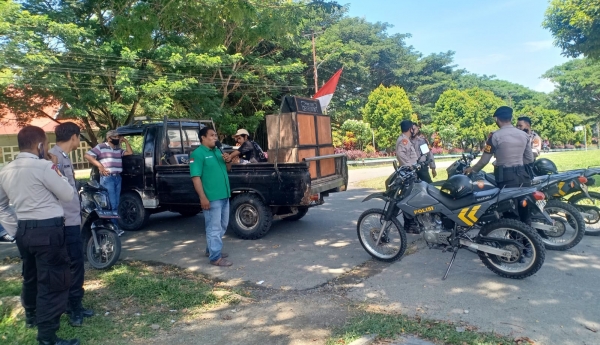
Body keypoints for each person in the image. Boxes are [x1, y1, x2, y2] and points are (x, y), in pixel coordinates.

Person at [0, 126, 80, 345]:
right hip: (49, 231)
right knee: (52, 281)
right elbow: (66, 194)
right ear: (40, 145)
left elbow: (1, 207)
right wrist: (54, 166)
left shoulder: (6, 169)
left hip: (24, 230)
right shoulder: (44, 167)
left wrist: (16, 230)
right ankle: (47, 336)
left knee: (31, 275)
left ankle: (31, 316)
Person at [49, 122, 94, 327]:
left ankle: (75, 303)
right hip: (63, 222)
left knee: (76, 264)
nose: (79, 141)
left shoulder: (63, 157)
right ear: (74, 137)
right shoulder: (52, 158)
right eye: (79, 137)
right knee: (72, 265)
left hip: (72, 219)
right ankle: (72, 307)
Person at [190, 127, 233, 267]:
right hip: (212, 197)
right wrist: (203, 197)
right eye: (212, 135)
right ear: (203, 137)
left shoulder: (217, 151)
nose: (215, 138)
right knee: (214, 227)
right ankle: (215, 258)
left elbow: (228, 170)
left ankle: (211, 250)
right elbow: (195, 177)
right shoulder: (198, 154)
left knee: (222, 225)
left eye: (216, 135)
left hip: (224, 195)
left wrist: (228, 160)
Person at [465, 106, 533, 189]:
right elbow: (530, 159)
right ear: (511, 118)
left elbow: (484, 161)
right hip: (523, 176)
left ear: (496, 119)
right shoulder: (525, 135)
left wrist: (472, 170)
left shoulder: (494, 136)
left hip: (506, 178)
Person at [84, 130, 133, 235]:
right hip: (108, 178)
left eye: (119, 137)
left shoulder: (118, 149)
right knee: (111, 204)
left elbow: (130, 153)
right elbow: (87, 155)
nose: (118, 138)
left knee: (116, 203)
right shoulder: (101, 147)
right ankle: (113, 228)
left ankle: (113, 227)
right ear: (109, 138)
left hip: (117, 178)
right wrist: (100, 166)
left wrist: (126, 142)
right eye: (116, 137)